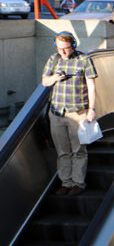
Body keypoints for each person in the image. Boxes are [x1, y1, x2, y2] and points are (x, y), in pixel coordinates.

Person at [42, 32, 98, 196]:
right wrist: (54, 78)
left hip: (78, 112)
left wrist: (92, 109)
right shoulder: (54, 59)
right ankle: (65, 182)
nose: (63, 52)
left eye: (66, 48)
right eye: (60, 49)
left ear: (73, 46)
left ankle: (78, 183)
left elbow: (92, 87)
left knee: (79, 150)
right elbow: (44, 81)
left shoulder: (84, 60)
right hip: (57, 112)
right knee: (62, 151)